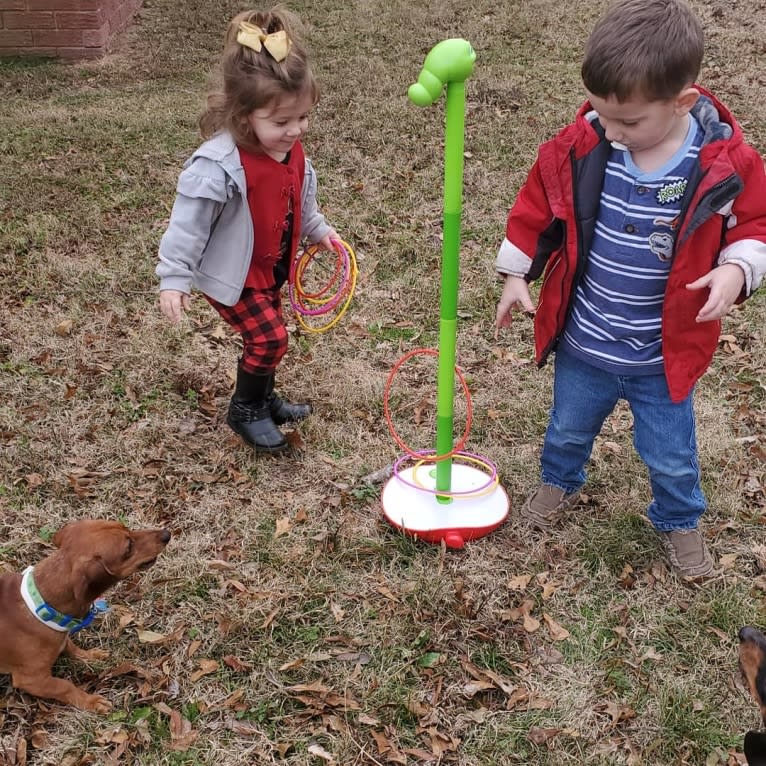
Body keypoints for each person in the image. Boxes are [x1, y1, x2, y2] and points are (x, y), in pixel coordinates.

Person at [494, 0, 766, 578]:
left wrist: (738, 267)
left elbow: (755, 223)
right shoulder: (586, 146)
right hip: (586, 343)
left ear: (682, 102)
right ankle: (560, 483)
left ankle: (679, 519)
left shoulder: (722, 162)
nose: (612, 133)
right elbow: (539, 209)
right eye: (602, 115)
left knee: (671, 455)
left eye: (630, 122)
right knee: (567, 428)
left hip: (661, 357)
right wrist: (517, 273)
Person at [157, 8, 339, 454]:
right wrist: (174, 277)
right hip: (232, 276)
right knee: (269, 337)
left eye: (302, 118)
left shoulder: (290, 151)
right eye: (281, 122)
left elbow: (299, 196)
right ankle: (245, 409)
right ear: (243, 116)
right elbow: (188, 222)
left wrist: (316, 228)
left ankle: (264, 397)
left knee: (271, 335)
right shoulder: (217, 165)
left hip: (268, 268)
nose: (295, 130)